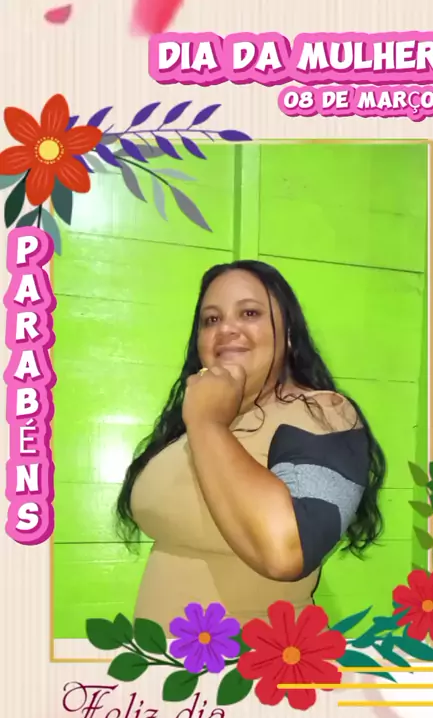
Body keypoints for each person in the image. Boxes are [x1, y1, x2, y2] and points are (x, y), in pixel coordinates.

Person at [116, 260, 386, 631]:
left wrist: (208, 424)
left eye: (249, 313)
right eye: (211, 319)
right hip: (164, 659)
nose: (226, 328)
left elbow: (286, 553)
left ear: (288, 332)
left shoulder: (321, 412)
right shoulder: (195, 420)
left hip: (257, 662)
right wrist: (206, 418)